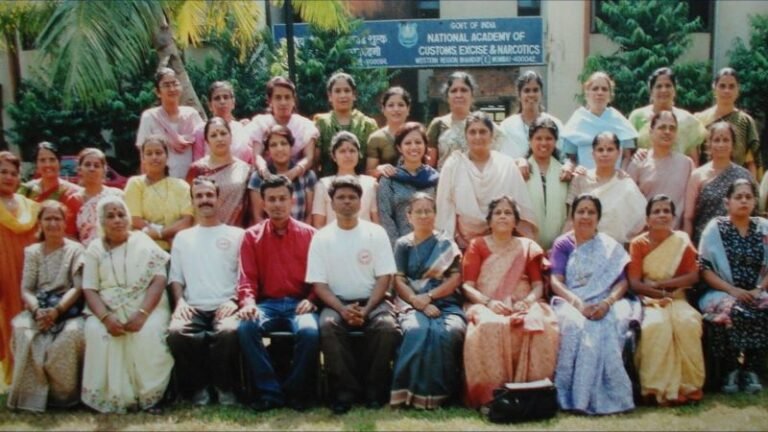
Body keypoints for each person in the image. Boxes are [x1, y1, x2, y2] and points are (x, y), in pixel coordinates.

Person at [307, 176, 401, 414]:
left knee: (386, 326)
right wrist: (341, 309)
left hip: (373, 300)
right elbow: (319, 284)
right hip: (336, 302)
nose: (347, 202)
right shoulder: (321, 237)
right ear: (332, 203)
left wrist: (367, 308)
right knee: (328, 325)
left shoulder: (376, 233)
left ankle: (374, 390)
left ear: (361, 202)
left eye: (352, 197)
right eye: (341, 197)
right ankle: (344, 392)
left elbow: (384, 277)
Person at [461, 196, 559, 408]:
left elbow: (537, 285)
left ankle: (534, 393)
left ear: (516, 221)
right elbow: (467, 286)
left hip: (523, 302)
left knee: (537, 325)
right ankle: (491, 396)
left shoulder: (528, 247)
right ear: (489, 221)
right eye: (498, 213)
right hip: (486, 302)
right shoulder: (477, 245)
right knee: (490, 325)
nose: (503, 216)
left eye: (508, 213)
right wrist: (489, 303)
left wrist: (527, 302)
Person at [81, 196, 173, 414]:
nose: (117, 220)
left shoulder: (142, 241)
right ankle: (110, 397)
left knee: (147, 333)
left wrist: (142, 314)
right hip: (107, 308)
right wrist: (105, 318)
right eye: (110, 216)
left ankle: (151, 396)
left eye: (121, 214)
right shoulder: (95, 249)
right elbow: (90, 288)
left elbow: (159, 279)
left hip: (147, 305)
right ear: (102, 222)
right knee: (98, 332)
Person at [237, 175, 319, 412]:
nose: (277, 204)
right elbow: (247, 278)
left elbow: (320, 277)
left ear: (292, 200)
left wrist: (311, 300)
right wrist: (249, 303)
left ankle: (295, 391)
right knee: (245, 327)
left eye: (282, 198)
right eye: (271, 199)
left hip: (299, 303)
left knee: (310, 332)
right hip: (267, 304)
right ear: (262, 203)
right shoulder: (251, 236)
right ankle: (269, 391)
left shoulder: (310, 235)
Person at [549, 194, 636, 415]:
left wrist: (607, 303)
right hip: (572, 300)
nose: (585, 216)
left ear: (598, 217)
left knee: (610, 325)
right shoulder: (563, 244)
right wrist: (578, 304)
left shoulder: (609, 246)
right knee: (575, 325)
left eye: (591, 212)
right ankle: (572, 397)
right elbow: (555, 281)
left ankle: (610, 396)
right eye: (581, 211)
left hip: (606, 300)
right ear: (573, 215)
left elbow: (622, 282)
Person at [167, 177, 244, 406]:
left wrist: (233, 300)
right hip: (193, 307)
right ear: (192, 201)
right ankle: (199, 388)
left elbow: (245, 275)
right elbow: (176, 279)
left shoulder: (237, 235)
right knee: (177, 333)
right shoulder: (183, 238)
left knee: (229, 332)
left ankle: (224, 388)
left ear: (218, 199)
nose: (204, 200)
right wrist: (180, 303)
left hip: (226, 305)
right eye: (199, 196)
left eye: (209, 195)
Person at [390, 193, 465, 409]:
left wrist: (430, 297)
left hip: (445, 301)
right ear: (409, 216)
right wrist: (417, 301)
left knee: (449, 332)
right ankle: (408, 394)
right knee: (416, 331)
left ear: (435, 214)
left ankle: (446, 395)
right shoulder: (402, 244)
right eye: (418, 211)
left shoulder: (445, 244)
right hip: (411, 302)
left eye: (428, 211)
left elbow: (455, 278)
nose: (423, 215)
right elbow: (398, 279)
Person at [7, 201, 85, 412]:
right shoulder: (32, 252)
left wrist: (57, 310)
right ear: (40, 223)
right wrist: (37, 311)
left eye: (57, 218)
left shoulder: (76, 250)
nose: (52, 223)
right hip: (38, 309)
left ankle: (63, 398)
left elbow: (77, 288)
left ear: (64, 222)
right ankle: (30, 397)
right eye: (47, 219)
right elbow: (26, 289)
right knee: (22, 329)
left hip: (68, 310)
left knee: (69, 337)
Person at [628, 195, 704, 405]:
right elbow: (634, 282)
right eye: (656, 211)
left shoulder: (681, 240)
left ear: (673, 216)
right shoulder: (638, 243)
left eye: (666, 211)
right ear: (648, 218)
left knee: (687, 323)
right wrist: (658, 295)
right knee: (655, 326)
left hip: (677, 298)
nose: (662, 215)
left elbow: (693, 276)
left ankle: (689, 387)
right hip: (649, 300)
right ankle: (654, 389)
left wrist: (662, 286)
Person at [699, 178, 768, 394]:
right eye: (738, 197)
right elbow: (704, 268)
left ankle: (752, 370)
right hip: (721, 291)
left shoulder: (764, 227)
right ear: (727, 202)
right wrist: (732, 291)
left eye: (748, 197)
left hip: (758, 290)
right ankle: (730, 369)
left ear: (755, 201)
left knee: (762, 306)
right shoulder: (715, 228)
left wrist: (759, 289)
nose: (744, 201)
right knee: (732, 310)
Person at [436, 112, 537, 248]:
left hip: (503, 243)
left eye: (483, 131)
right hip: (462, 245)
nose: (478, 137)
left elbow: (520, 210)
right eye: (472, 132)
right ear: (466, 136)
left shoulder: (506, 165)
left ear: (491, 135)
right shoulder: (454, 165)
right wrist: (449, 247)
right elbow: (445, 208)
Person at [0, 151, 40, 384]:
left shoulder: (31, 206)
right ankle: (11, 376)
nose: (8, 177)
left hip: (26, 269)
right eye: (3, 172)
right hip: (3, 270)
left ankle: (31, 373)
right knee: (5, 317)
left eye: (13, 173)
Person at [566, 132, 646, 244]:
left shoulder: (626, 183)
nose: (605, 154)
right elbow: (571, 219)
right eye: (600, 150)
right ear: (593, 153)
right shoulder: (581, 179)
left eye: (610, 149)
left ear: (618, 153)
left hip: (615, 249)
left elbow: (641, 219)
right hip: (582, 246)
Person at [684, 122, 752, 245]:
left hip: (739, 244)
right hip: (706, 244)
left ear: (733, 144)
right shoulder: (698, 175)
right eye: (716, 140)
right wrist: (688, 247)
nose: (721, 144)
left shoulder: (744, 175)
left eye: (726, 140)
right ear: (709, 144)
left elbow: (753, 213)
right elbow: (689, 217)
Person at [124, 134, 194, 251]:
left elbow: (187, 221)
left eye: (158, 152)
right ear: (143, 159)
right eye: (149, 153)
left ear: (167, 157)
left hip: (177, 249)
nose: (154, 157)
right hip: (144, 251)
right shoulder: (135, 184)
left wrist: (160, 234)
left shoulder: (181, 186)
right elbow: (135, 220)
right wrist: (165, 236)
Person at [627, 111, 694, 229]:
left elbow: (689, 209)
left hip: (676, 236)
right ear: (651, 132)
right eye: (662, 127)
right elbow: (629, 202)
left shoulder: (686, 164)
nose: (667, 132)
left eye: (672, 128)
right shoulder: (639, 162)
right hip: (645, 234)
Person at [377, 122, 439, 246]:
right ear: (399, 148)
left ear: (425, 146)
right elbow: (385, 216)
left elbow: (441, 213)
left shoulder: (435, 178)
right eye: (407, 143)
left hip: (432, 245)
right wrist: (399, 247)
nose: (413, 147)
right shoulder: (389, 178)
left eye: (418, 142)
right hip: (400, 245)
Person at [426, 72, 504, 170]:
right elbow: (429, 164)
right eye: (454, 91)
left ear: (472, 95)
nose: (459, 95)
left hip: (480, 181)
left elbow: (499, 158)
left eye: (464, 90)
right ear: (447, 97)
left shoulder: (485, 125)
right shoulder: (438, 124)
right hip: (446, 182)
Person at [135, 67, 204, 178]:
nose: (172, 89)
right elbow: (143, 156)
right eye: (166, 85)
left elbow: (205, 145)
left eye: (175, 84)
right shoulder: (150, 117)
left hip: (191, 181)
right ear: (157, 92)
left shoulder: (191, 115)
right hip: (162, 180)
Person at [628, 67, 707, 162]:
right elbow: (628, 154)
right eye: (659, 86)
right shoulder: (637, 117)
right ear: (651, 90)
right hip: (644, 172)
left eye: (668, 85)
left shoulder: (688, 120)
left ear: (675, 90)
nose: (664, 90)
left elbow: (693, 159)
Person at [562, 71, 638, 169]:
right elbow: (570, 158)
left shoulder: (620, 121)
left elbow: (628, 157)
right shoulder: (576, 121)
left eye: (604, 89)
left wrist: (621, 176)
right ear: (587, 93)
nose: (600, 92)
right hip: (584, 180)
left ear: (610, 95)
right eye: (595, 89)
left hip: (615, 180)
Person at [246, 77, 318, 179]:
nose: (283, 102)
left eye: (287, 97)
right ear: (270, 101)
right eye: (278, 97)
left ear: (294, 100)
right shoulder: (260, 123)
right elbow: (257, 156)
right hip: (267, 178)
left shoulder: (305, 125)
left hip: (298, 177)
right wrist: (265, 172)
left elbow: (309, 158)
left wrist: (291, 174)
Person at [186, 117, 251, 227]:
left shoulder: (245, 169)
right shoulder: (197, 168)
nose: (219, 138)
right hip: (204, 231)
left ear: (230, 137)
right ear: (207, 141)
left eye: (223, 133)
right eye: (213, 135)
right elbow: (188, 207)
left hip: (235, 234)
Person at [694, 67, 760, 176]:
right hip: (706, 181)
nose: (727, 90)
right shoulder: (700, 119)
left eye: (731, 86)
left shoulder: (745, 121)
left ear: (738, 90)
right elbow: (695, 158)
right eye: (722, 86)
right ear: (714, 88)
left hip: (738, 183)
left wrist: (751, 187)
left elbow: (751, 163)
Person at [248, 125, 317, 224]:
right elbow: (257, 217)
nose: (279, 149)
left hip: (300, 235)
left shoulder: (307, 176)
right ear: (268, 150)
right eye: (273, 145)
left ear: (291, 146)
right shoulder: (258, 177)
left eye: (283, 143)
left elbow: (309, 215)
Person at [314, 72, 378, 176]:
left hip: (361, 184)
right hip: (329, 184)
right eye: (337, 91)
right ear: (330, 96)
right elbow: (315, 162)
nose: (343, 95)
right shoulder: (321, 123)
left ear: (354, 95)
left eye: (347, 90)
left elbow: (373, 160)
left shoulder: (368, 124)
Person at [312, 131, 379, 228]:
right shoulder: (323, 185)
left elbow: (376, 221)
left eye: (352, 151)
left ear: (359, 154)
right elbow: (318, 224)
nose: (348, 155)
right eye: (342, 151)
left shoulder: (371, 183)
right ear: (334, 156)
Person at [17, 141, 81, 237]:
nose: (48, 164)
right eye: (42, 160)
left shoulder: (72, 192)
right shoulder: (26, 191)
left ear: (59, 163)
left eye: (52, 159)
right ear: (36, 164)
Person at [499, 70, 566, 159]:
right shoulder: (507, 126)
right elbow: (502, 159)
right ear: (519, 96)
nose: (531, 94)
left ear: (541, 94)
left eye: (535, 90)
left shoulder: (554, 123)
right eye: (527, 91)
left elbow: (563, 156)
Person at [525, 116, 570, 249]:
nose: (543, 143)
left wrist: (559, 246)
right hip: (527, 248)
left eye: (549, 138)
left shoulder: (565, 173)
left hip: (559, 249)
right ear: (530, 141)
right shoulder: (520, 171)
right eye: (538, 138)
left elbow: (570, 214)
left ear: (556, 141)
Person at [71, 148, 123, 247]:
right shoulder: (74, 199)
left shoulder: (117, 196)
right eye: (87, 165)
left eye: (96, 165)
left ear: (104, 170)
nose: (92, 169)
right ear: (79, 169)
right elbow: (70, 235)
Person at [192, 81, 250, 163]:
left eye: (226, 97)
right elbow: (197, 164)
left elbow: (250, 162)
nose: (222, 101)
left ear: (233, 103)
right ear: (209, 105)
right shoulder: (201, 130)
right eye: (217, 98)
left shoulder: (243, 129)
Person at [366, 86, 411, 178]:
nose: (396, 109)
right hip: (385, 188)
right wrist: (379, 170)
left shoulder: (417, 135)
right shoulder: (376, 138)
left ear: (408, 109)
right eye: (391, 105)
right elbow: (368, 173)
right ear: (383, 109)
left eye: (401, 105)